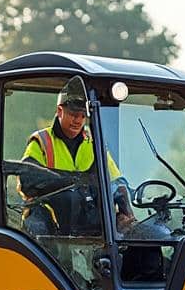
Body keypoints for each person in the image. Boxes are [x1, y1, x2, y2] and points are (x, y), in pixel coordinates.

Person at [19, 80, 136, 235]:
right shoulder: (42, 141)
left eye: (83, 116)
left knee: (138, 236)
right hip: (49, 214)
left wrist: (126, 211)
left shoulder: (94, 143)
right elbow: (28, 181)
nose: (78, 121)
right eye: (73, 114)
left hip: (87, 214)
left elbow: (116, 181)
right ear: (60, 111)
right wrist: (72, 180)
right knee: (40, 227)